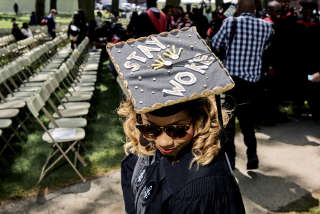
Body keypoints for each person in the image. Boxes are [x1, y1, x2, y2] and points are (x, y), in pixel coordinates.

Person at [107, 27, 245, 213]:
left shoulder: (201, 189)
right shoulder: (144, 145)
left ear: (200, 119)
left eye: (178, 129)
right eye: (151, 129)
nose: (164, 142)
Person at [212, 0, 273, 170]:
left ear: (238, 7)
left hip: (231, 82)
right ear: (255, 7)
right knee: (248, 122)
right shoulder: (266, 27)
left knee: (228, 123)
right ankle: (252, 154)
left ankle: (230, 161)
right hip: (252, 84)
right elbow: (266, 48)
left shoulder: (230, 22)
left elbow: (216, 44)